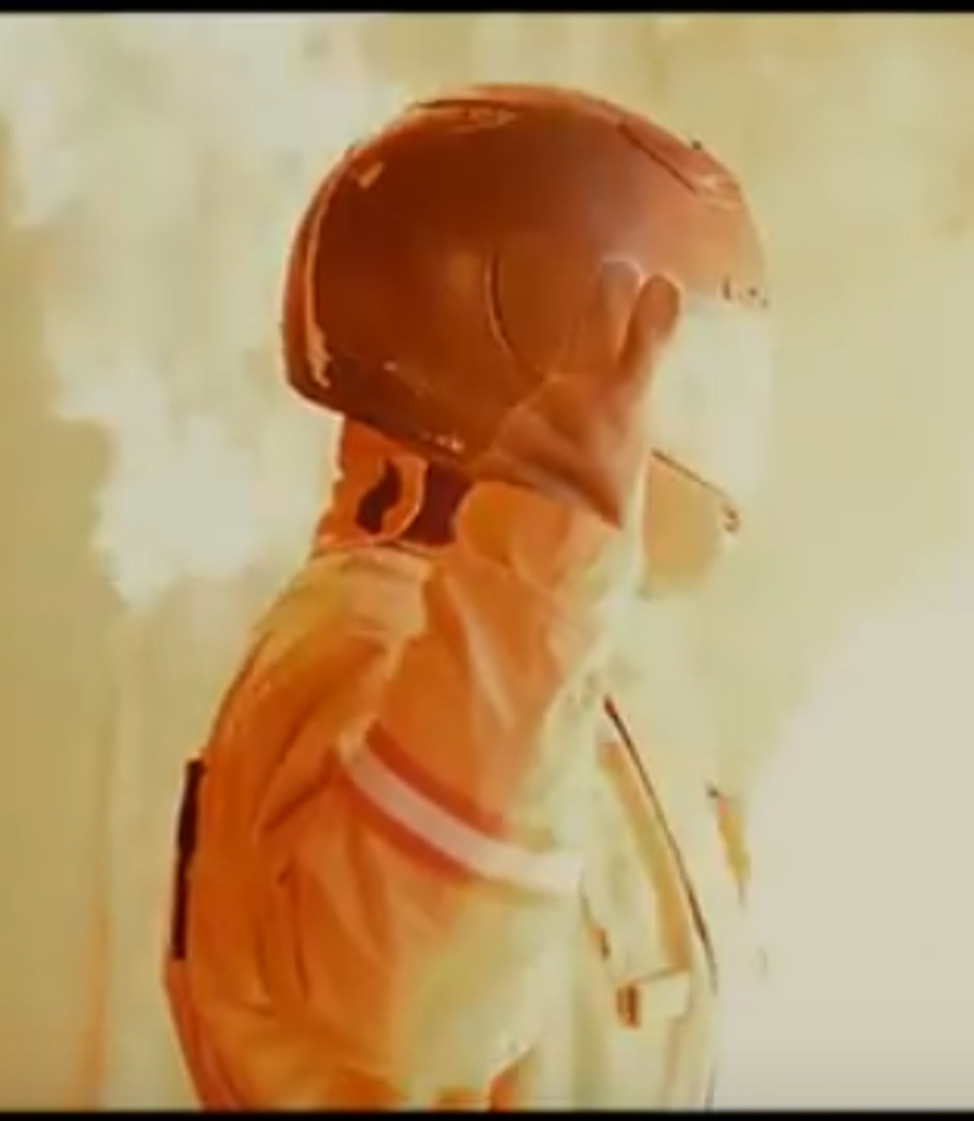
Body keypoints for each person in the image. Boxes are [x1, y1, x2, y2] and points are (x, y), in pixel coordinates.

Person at [161, 83, 776, 1109]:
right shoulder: (370, 643)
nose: (693, 419)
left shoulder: (540, 642)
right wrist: (551, 550)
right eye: (673, 366)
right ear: (522, 348)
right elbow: (417, 1004)